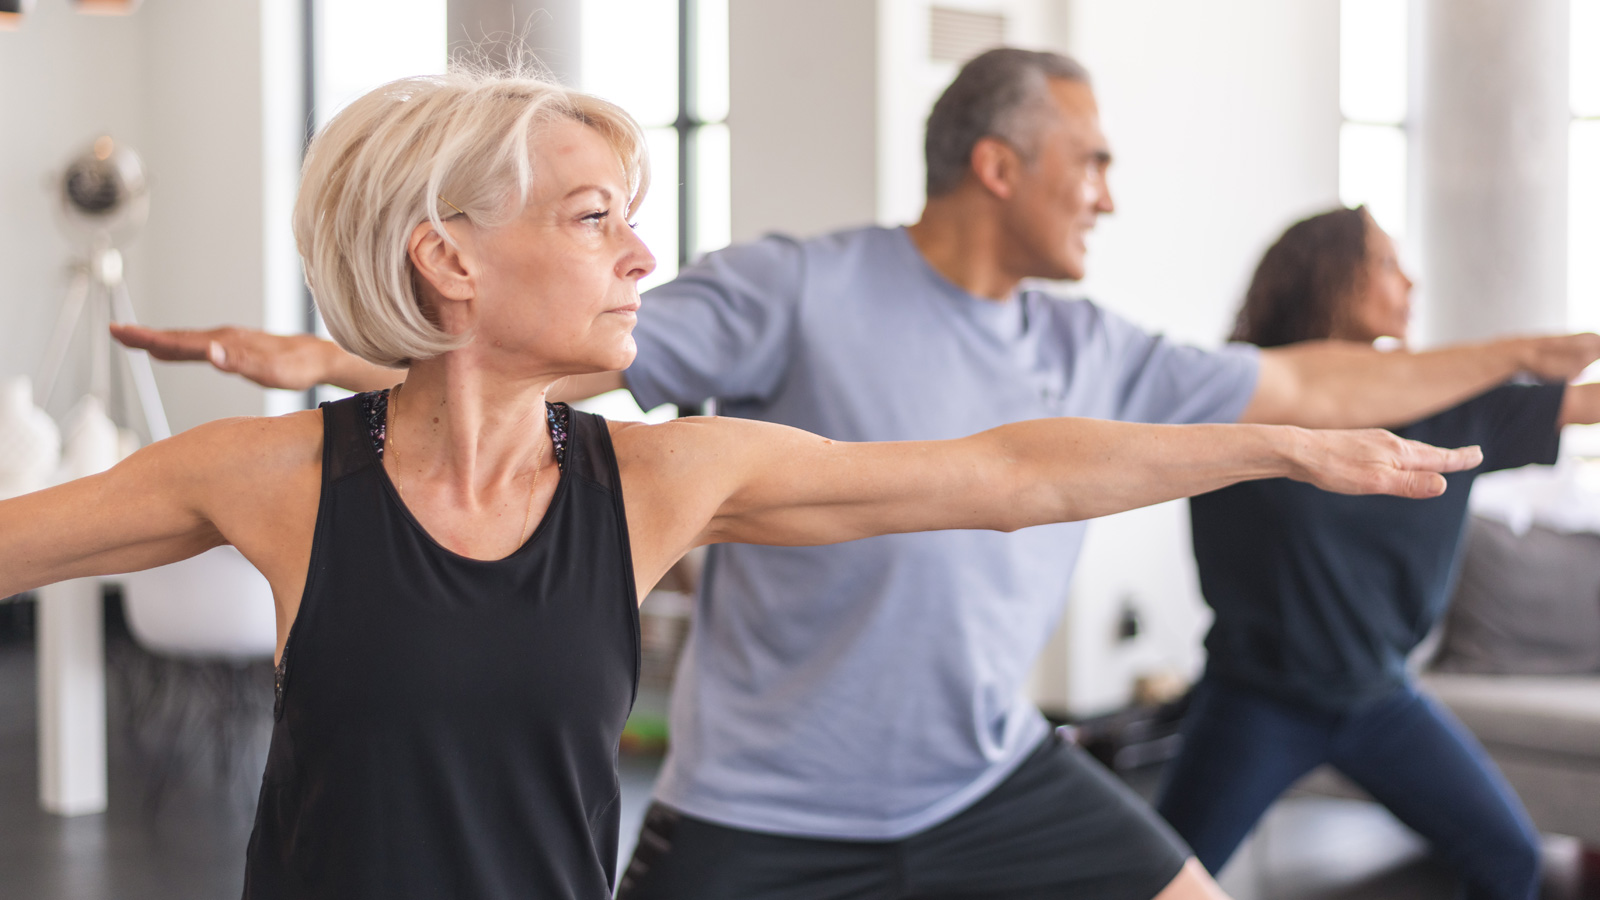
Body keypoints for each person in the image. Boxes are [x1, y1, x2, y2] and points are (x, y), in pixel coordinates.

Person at [109, 50, 1600, 900]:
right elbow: (561, 353)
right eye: (1089, 159)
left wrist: (1531, 370)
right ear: (998, 166)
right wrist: (357, 360)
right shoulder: (800, 291)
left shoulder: (1092, 341)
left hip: (987, 777)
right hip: (769, 805)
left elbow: (1244, 402)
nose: (1111, 193)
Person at [1156, 206, 1600, 899]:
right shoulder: (1240, 391)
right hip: (1254, 699)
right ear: (1329, 277)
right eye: (1388, 264)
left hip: (1380, 699)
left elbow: (1583, 402)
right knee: (1154, 881)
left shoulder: (1452, 405)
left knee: (1512, 860)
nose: (1411, 283)